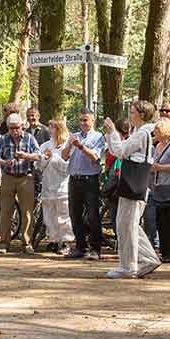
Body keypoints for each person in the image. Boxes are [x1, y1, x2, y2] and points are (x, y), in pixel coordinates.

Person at [103, 101, 161, 279]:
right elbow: (118, 150)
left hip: (134, 183)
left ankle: (129, 267)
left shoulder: (142, 133)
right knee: (127, 224)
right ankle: (147, 259)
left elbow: (121, 150)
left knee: (126, 224)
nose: (130, 115)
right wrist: (110, 134)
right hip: (135, 183)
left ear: (142, 115)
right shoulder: (141, 132)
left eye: (134, 112)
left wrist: (112, 131)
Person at [0, 114, 41, 254]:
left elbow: (38, 155)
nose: (14, 131)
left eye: (17, 128)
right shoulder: (3, 139)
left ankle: (26, 243)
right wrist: (4, 162)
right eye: (11, 128)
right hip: (8, 177)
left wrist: (26, 156)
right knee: (6, 211)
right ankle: (4, 243)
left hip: (26, 177)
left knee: (27, 212)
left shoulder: (29, 138)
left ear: (22, 126)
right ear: (7, 128)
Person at [62, 110, 107, 260]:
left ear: (93, 121)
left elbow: (95, 157)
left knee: (93, 215)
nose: (83, 123)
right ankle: (80, 246)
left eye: (86, 120)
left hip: (90, 180)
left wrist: (81, 147)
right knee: (75, 214)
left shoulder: (99, 137)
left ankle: (95, 248)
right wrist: (70, 145)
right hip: (74, 179)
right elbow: (63, 156)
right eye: (81, 120)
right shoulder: (73, 136)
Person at [146, 118, 170, 263]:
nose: (155, 134)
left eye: (158, 131)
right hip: (158, 186)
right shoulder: (158, 145)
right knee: (161, 221)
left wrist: (160, 168)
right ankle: (164, 251)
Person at [36, 118, 74, 253]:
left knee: (63, 215)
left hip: (62, 187)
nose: (50, 130)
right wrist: (44, 158)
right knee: (49, 215)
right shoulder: (45, 145)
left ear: (59, 129)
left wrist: (55, 158)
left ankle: (66, 241)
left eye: (53, 128)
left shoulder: (68, 146)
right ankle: (54, 239)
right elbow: (39, 166)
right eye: (50, 127)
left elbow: (67, 168)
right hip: (48, 185)